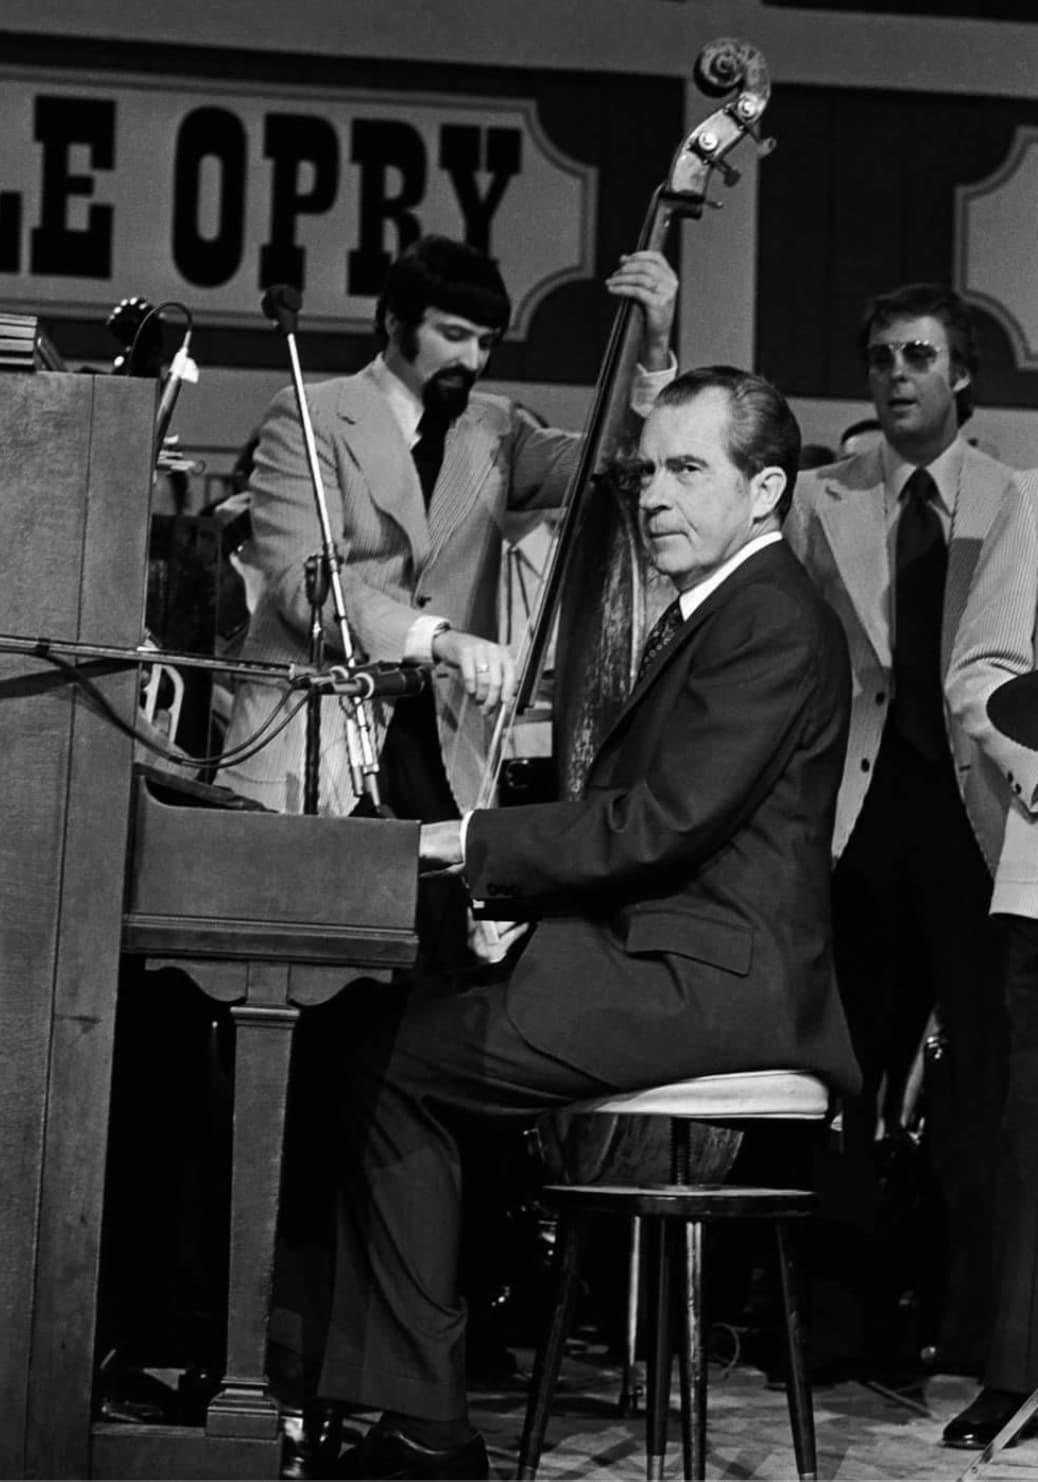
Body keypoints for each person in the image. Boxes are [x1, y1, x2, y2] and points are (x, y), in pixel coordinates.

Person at [304, 366, 859, 1480]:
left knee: (381, 1054)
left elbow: (661, 823)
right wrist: (521, 901)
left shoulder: (772, 621)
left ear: (765, 493)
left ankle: (419, 1422)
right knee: (377, 1026)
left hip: (707, 981)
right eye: (647, 469)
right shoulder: (728, 611)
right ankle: (389, 1397)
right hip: (661, 955)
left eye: (688, 469)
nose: (653, 493)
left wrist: (470, 848)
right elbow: (656, 828)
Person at [220, 235, 677, 820]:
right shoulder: (310, 417)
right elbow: (303, 583)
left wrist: (656, 342)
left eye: (485, 343)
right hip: (316, 743)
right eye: (453, 336)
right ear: (392, 322)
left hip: (443, 747)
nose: (472, 361)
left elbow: (624, 463)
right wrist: (439, 639)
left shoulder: (495, 427)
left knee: (439, 911)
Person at [784, 282, 1021, 1378]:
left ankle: (974, 1327)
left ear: (960, 374)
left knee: (982, 1084)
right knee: (843, 1082)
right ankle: (834, 1329)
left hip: (972, 820)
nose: (895, 373)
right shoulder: (822, 498)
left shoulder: (1015, 499)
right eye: (881, 355)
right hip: (859, 814)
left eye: (918, 355)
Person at [942, 469, 1038, 1446]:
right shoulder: (1035, 496)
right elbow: (981, 670)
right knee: (1033, 1131)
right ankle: (1016, 1372)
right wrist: (1037, 770)